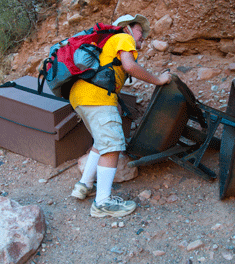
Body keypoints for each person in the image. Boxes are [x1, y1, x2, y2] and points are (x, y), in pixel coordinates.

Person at [69, 14, 172, 218]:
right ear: (127, 28)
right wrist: (159, 80)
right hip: (95, 98)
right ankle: (102, 203)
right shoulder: (123, 38)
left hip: (82, 96)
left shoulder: (110, 44)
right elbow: (130, 66)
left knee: (101, 142)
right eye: (140, 32)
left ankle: (84, 185)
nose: (142, 37)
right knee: (113, 145)